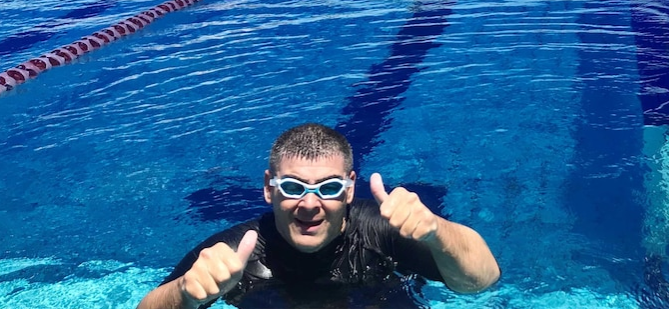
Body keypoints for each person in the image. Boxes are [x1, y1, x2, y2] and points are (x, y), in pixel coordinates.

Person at [136, 123, 500, 309]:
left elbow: (480, 280)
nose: (310, 204)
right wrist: (184, 294)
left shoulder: (381, 230)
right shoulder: (236, 252)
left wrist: (437, 231)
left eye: (328, 188)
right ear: (269, 188)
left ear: (349, 189)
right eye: (293, 187)